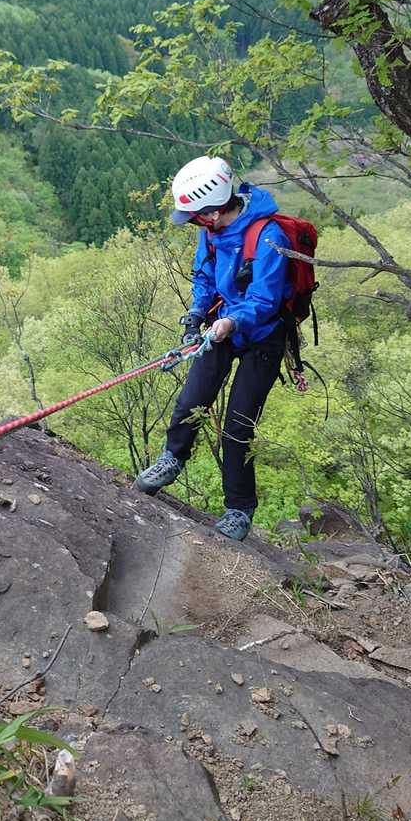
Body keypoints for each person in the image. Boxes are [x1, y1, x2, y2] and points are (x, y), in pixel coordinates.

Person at [135, 155, 289, 541]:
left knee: (238, 425)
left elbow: (265, 299)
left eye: (196, 218)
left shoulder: (269, 236)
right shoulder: (211, 232)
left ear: (215, 210)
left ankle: (239, 509)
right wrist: (196, 313)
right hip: (222, 325)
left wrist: (231, 322)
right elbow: (203, 276)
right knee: (192, 399)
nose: (194, 224)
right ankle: (172, 458)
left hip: (264, 336)